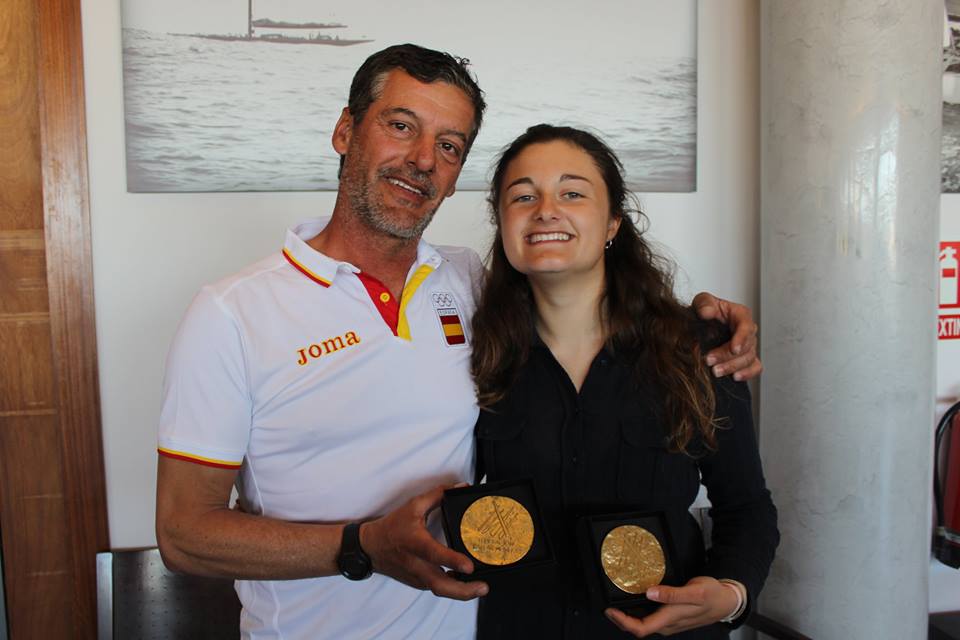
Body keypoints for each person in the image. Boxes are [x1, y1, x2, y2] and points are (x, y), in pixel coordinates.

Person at [155, 45, 762, 639]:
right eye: (401, 126)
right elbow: (184, 535)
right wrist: (361, 546)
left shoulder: (469, 285)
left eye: (448, 146)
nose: (423, 159)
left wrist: (708, 320)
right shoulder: (232, 313)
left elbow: (585, 292)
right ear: (345, 131)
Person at [469, 124, 778, 639]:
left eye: (572, 193)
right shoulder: (472, 352)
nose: (546, 209)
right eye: (523, 196)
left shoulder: (697, 349)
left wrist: (731, 594)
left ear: (613, 221)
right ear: (502, 223)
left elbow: (746, 505)